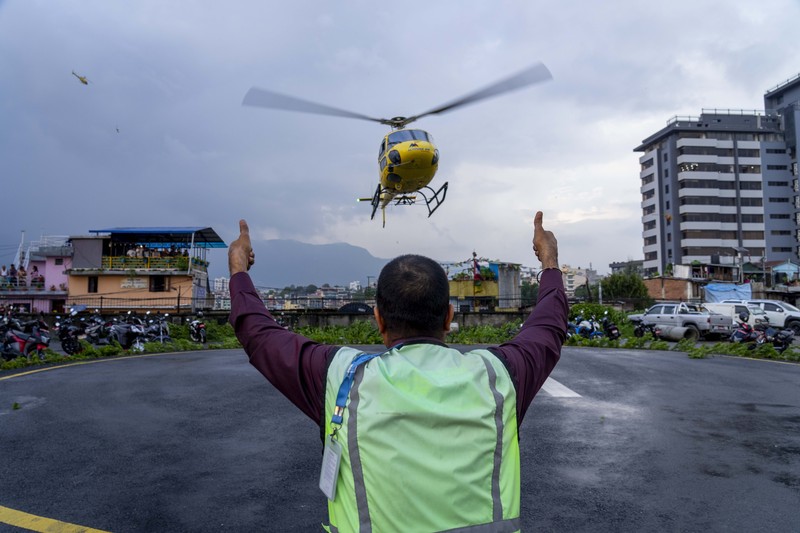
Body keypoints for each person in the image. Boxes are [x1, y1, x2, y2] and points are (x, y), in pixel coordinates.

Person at [228, 212, 567, 532]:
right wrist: (549, 261)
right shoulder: (498, 376)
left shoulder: (340, 376)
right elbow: (548, 327)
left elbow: (260, 335)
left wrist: (239, 268)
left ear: (378, 320)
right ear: (449, 318)